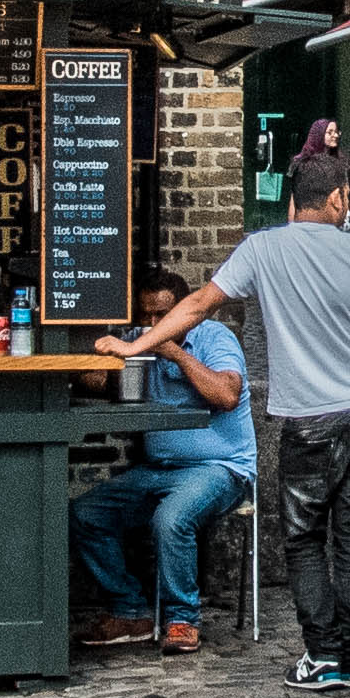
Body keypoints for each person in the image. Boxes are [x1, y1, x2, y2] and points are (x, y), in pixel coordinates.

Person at [109, 146, 350, 693]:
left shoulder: (262, 249)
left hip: (308, 420)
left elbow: (198, 304)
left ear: (294, 203)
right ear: (339, 198)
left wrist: (138, 347)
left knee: (303, 538)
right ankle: (346, 651)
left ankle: (323, 655)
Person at [70, 270, 253, 652]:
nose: (153, 325)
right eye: (146, 317)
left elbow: (225, 395)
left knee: (172, 518)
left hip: (220, 468)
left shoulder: (215, 338)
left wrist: (173, 351)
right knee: (85, 514)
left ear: (186, 312)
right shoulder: (138, 340)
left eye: (163, 316)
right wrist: (84, 355)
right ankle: (130, 609)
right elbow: (100, 382)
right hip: (159, 470)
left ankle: (182, 619)